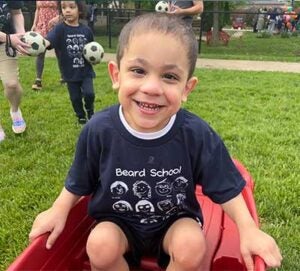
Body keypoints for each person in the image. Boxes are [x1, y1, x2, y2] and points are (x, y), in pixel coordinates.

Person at [29, 13, 282, 271]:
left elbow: (226, 185)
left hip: (174, 220)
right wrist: (58, 209)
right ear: (116, 75)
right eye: (138, 71)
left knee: (192, 246)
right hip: (117, 221)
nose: (151, 87)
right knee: (99, 245)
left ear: (187, 89)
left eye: (169, 77)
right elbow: (79, 178)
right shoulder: (99, 130)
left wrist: (249, 230)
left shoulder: (195, 133)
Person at [44, 0, 96, 124]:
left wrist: (94, 59)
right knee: (75, 98)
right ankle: (81, 116)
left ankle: (90, 110)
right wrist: (41, 43)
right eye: (63, 7)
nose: (67, 10)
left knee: (89, 94)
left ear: (80, 10)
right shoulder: (59, 29)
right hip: (70, 72)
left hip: (85, 71)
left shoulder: (86, 30)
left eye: (72, 7)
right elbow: (49, 41)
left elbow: (92, 50)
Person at [0, 1, 29, 142]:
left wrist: (21, 34)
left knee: (12, 84)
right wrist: (9, 38)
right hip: (7, 39)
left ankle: (15, 110)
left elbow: (16, 13)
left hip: (4, 45)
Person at [31, 0, 62, 91]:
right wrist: (34, 24)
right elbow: (38, 9)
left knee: (59, 52)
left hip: (55, 25)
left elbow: (63, 9)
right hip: (42, 26)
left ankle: (64, 77)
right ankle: (38, 80)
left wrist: (58, 18)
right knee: (40, 51)